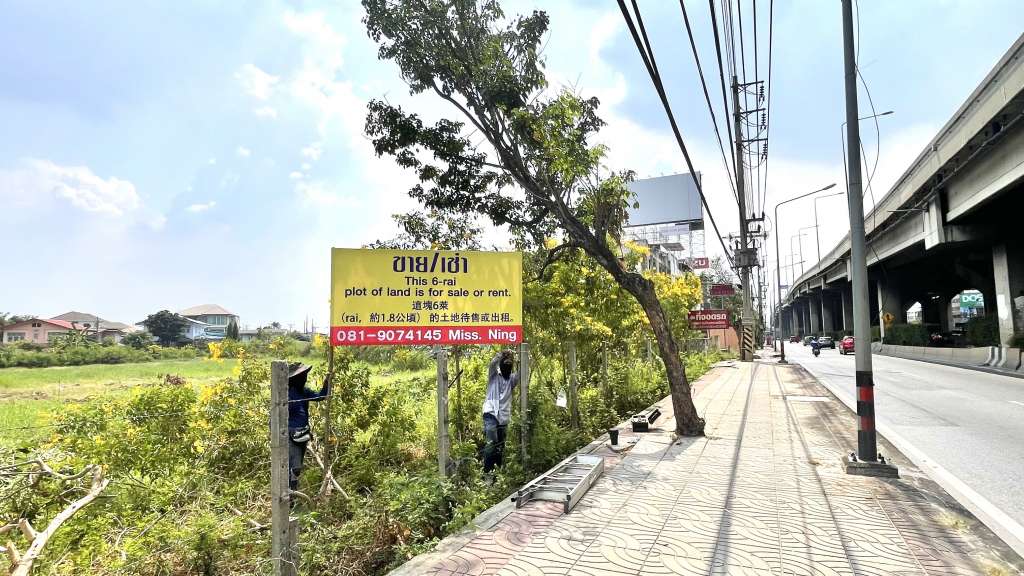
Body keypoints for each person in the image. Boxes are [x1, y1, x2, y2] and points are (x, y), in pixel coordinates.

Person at [286, 362, 329, 491]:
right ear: (294, 379)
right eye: (302, 376)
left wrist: (327, 382)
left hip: (303, 434)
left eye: (305, 375)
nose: (304, 378)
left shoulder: (304, 391)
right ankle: (288, 493)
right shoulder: (285, 394)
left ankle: (292, 492)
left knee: (296, 469)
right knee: (294, 467)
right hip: (289, 435)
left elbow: (320, 396)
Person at [482, 349, 518, 475]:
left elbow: (522, 372)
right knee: (491, 443)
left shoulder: (512, 380)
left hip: (503, 417)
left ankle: (497, 474)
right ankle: (487, 473)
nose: (507, 367)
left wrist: (517, 357)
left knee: (500, 446)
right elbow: (492, 364)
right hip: (491, 413)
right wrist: (501, 355)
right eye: (505, 364)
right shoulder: (494, 376)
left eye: (509, 365)